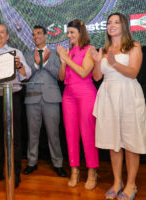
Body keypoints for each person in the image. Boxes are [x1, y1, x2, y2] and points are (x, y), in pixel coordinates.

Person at [91, 13, 146, 200]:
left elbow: (133, 73)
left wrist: (114, 64)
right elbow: (97, 77)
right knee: (113, 143)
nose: (111, 25)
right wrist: (98, 63)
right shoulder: (104, 50)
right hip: (108, 98)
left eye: (116, 22)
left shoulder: (134, 46)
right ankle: (117, 182)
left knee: (130, 143)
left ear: (124, 25)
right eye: (109, 23)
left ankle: (131, 185)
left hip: (129, 97)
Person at [0, 24, 31, 188]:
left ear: (7, 36)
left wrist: (20, 67)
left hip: (11, 98)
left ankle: (14, 173)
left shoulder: (16, 53)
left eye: (1, 33)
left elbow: (27, 74)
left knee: (14, 139)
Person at [56, 19, 99, 190]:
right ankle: (74, 170)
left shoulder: (90, 49)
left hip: (86, 94)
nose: (69, 35)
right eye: (68, 33)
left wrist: (67, 58)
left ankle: (92, 171)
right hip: (68, 95)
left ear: (81, 33)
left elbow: (83, 72)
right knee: (70, 133)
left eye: (72, 32)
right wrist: (63, 61)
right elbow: (61, 77)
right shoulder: (69, 51)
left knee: (88, 133)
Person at [23, 25, 66, 177]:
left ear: (46, 35)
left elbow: (60, 76)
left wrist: (45, 62)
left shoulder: (55, 54)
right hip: (32, 98)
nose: (36, 37)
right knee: (32, 133)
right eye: (33, 34)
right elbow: (25, 76)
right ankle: (31, 162)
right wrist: (36, 63)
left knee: (53, 133)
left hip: (51, 98)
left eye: (39, 33)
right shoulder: (27, 54)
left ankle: (58, 163)